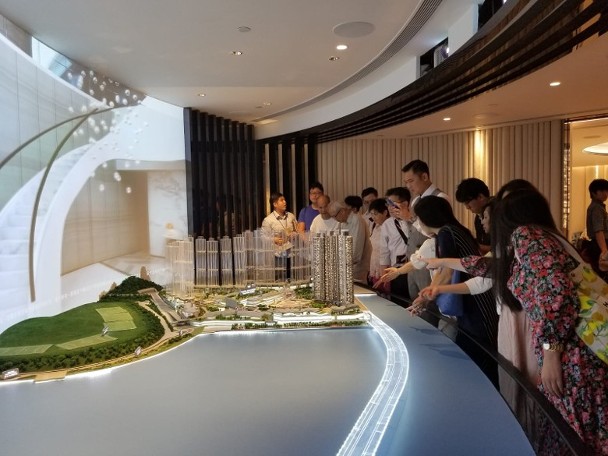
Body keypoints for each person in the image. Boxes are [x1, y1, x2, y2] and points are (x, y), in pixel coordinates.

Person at [465, 188, 607, 454]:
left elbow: (555, 293)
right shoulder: (546, 236)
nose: (486, 220)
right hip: (580, 347)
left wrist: (551, 353)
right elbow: (497, 268)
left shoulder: (526, 235)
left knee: (574, 430)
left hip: (572, 354)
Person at [409, 195, 499, 384]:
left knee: (478, 356)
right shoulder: (453, 230)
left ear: (427, 217)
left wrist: (428, 295)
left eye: (418, 218)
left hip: (476, 302)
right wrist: (430, 293)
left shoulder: (446, 233)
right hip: (473, 298)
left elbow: (447, 271)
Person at [377, 187, 412, 305]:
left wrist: (408, 220)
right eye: (388, 204)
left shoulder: (415, 220)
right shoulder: (387, 224)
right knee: (399, 304)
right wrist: (383, 276)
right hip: (396, 270)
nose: (389, 207)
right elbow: (384, 252)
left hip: (416, 269)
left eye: (392, 204)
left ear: (405, 204)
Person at [328, 200, 372, 284]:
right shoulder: (342, 223)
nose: (335, 219)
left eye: (334, 216)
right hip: (345, 267)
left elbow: (356, 252)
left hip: (357, 269)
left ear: (342, 211)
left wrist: (341, 263)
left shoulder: (356, 220)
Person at [262, 191, 298, 280]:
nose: (285, 202)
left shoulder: (291, 216)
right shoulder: (268, 220)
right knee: (279, 280)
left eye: (284, 200)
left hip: (291, 254)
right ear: (275, 204)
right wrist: (273, 239)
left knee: (292, 279)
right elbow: (263, 237)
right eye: (281, 200)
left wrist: (294, 234)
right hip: (277, 255)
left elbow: (297, 230)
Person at [455, 177, 492, 254]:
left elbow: (505, 247)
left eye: (467, 202)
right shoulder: (478, 218)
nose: (467, 207)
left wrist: (475, 246)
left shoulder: (499, 213)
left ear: (480, 197)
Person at [585, 178, 608, 276]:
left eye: (606, 190)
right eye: (601, 191)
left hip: (598, 244)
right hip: (600, 245)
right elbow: (598, 231)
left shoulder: (597, 207)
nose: (605, 193)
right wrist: (604, 251)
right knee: (602, 275)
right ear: (594, 193)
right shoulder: (597, 208)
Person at [367, 198, 389, 288]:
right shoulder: (374, 226)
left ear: (385, 212)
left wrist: (384, 273)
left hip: (386, 269)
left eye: (375, 214)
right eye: (371, 214)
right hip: (375, 268)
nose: (373, 217)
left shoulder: (390, 227)